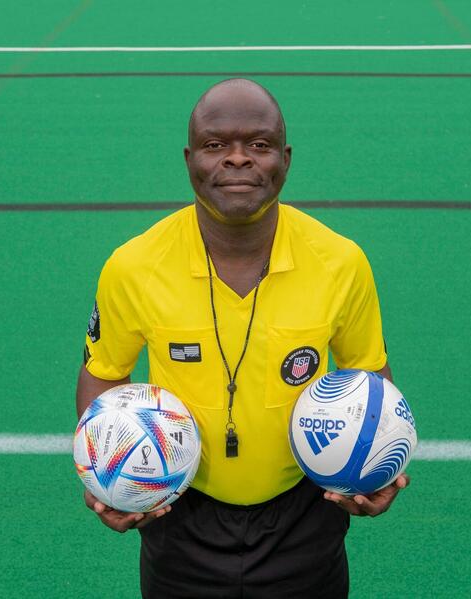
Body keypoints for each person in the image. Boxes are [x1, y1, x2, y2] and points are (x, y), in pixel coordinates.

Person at [76, 78, 410, 599]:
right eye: (215, 145)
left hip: (305, 516)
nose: (237, 160)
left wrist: (378, 465)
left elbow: (369, 377)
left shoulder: (341, 262)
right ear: (189, 159)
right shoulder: (133, 267)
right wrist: (105, 477)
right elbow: (103, 374)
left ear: (286, 158)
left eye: (258, 144)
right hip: (178, 517)